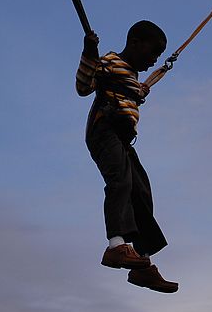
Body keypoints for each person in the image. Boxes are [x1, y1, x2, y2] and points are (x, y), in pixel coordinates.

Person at [76, 20, 178, 293]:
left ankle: (143, 263)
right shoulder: (109, 62)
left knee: (141, 191)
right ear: (135, 43)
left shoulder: (131, 76)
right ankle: (116, 245)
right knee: (120, 181)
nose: (153, 60)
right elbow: (83, 87)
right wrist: (89, 52)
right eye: (152, 53)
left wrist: (140, 89)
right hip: (103, 128)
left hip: (120, 137)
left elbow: (133, 91)